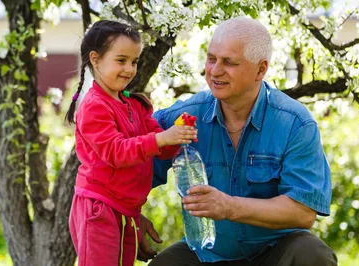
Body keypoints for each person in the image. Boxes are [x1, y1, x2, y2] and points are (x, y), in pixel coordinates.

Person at [138, 16, 338, 266]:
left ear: (260, 69)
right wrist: (130, 215)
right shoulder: (183, 117)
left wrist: (229, 206)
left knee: (313, 254)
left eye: (229, 62)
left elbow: (302, 212)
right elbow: (130, 161)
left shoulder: (296, 124)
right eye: (211, 59)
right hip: (207, 255)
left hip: (275, 253)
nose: (215, 71)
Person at [65, 20, 198, 266]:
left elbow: (162, 149)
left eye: (134, 61)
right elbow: (115, 151)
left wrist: (177, 135)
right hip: (99, 207)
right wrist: (161, 138)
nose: (129, 69)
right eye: (121, 60)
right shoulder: (95, 106)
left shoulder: (135, 105)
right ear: (95, 59)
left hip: (126, 210)